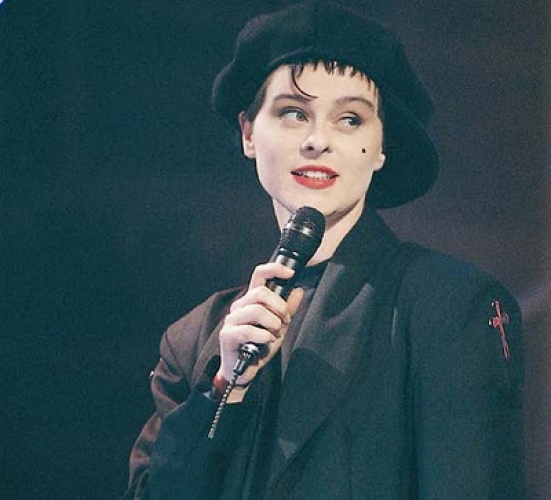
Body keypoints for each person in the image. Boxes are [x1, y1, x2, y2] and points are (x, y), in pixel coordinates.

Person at [121, 1, 524, 498]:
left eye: (350, 119)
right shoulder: (194, 340)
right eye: (293, 113)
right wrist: (225, 387)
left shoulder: (447, 305)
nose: (318, 141)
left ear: (381, 146)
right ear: (248, 132)